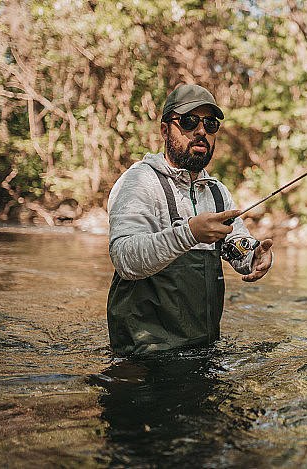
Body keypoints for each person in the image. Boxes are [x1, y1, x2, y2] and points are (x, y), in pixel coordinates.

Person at [106, 84, 273, 356]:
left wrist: (253, 256)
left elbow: (234, 244)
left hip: (203, 350)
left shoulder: (217, 191)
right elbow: (124, 259)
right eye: (188, 121)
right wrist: (189, 234)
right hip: (142, 354)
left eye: (210, 123)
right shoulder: (139, 181)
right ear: (164, 130)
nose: (201, 131)